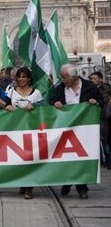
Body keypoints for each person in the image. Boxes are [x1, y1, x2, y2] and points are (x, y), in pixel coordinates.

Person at [51, 65, 103, 199]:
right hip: (66, 129)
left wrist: (95, 102)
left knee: (81, 157)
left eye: (64, 77)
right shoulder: (60, 88)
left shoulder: (89, 86)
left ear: (73, 77)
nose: (63, 80)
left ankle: (82, 188)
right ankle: (67, 182)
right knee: (67, 157)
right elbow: (51, 101)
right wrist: (56, 103)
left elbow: (101, 102)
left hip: (84, 129)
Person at [4, 67, 44, 199]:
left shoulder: (36, 93)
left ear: (29, 78)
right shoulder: (10, 92)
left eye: (24, 77)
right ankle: (23, 183)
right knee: (19, 159)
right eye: (19, 77)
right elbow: (3, 105)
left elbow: (44, 109)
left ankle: (29, 188)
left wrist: (35, 107)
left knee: (30, 159)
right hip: (15, 131)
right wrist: (6, 107)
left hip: (31, 131)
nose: (21, 79)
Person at [89, 71, 111, 168]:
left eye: (95, 78)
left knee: (105, 139)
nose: (93, 80)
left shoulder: (107, 88)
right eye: (91, 79)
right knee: (95, 140)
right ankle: (100, 161)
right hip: (93, 117)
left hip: (105, 118)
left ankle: (108, 159)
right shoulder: (89, 89)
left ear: (100, 79)